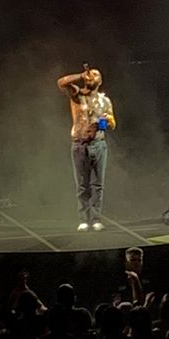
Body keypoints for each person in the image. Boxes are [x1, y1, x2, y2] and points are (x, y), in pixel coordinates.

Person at [57, 62, 116, 230]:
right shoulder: (77, 95)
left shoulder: (105, 101)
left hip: (98, 144)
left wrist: (103, 122)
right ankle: (83, 219)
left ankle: (96, 218)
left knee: (97, 185)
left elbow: (112, 123)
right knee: (82, 185)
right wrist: (80, 76)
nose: (91, 75)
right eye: (90, 73)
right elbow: (61, 82)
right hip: (79, 145)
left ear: (100, 81)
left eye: (95, 74)